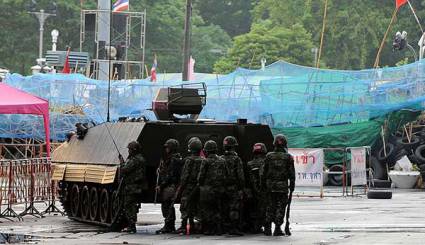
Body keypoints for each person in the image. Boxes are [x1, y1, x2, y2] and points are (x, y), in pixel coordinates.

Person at [262, 134, 295, 236]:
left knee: (269, 206)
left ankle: (267, 228)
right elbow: (291, 174)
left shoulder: (268, 156)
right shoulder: (288, 157)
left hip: (270, 186)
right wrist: (292, 187)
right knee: (280, 207)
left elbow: (263, 173)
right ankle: (277, 228)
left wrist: (263, 185)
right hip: (282, 187)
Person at [175, 137, 204, 234]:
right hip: (199, 187)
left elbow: (185, 176)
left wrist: (180, 188)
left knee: (185, 206)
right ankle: (193, 226)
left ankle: (184, 226)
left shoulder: (188, 160)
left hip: (189, 187)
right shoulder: (203, 160)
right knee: (196, 206)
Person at [198, 140, 227, 235]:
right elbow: (226, 175)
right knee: (218, 208)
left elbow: (201, 177)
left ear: (206, 150)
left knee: (207, 210)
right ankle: (219, 229)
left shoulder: (205, 161)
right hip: (220, 189)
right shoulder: (222, 160)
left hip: (208, 190)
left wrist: (201, 185)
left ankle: (209, 229)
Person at [156, 139, 183, 234]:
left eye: (168, 147)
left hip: (171, 186)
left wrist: (162, 185)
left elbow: (171, 175)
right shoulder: (174, 158)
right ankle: (169, 224)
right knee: (167, 205)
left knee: (167, 204)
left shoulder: (174, 160)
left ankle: (169, 225)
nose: (166, 149)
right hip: (172, 185)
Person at [119, 141, 147, 234]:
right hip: (137, 186)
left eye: (130, 149)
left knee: (128, 206)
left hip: (132, 186)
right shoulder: (141, 159)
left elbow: (124, 170)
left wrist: (122, 162)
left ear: (133, 150)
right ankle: (132, 225)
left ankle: (131, 226)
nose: (128, 151)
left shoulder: (134, 160)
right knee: (132, 206)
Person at [222, 136, 245, 236]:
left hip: (222, 187)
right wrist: (241, 188)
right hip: (233, 187)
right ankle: (233, 228)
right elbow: (240, 175)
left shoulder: (220, 158)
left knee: (224, 207)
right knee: (234, 208)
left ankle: (223, 228)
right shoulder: (236, 159)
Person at [246, 143, 268, 233]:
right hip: (265, 190)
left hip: (252, 191)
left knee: (254, 209)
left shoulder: (249, 164)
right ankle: (266, 227)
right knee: (265, 208)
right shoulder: (266, 162)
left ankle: (255, 226)